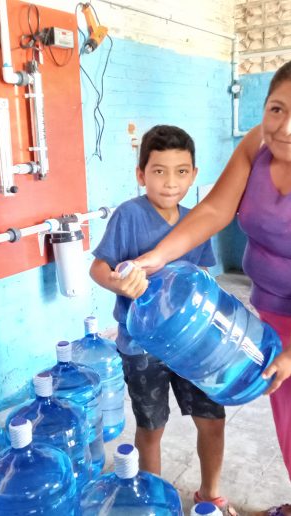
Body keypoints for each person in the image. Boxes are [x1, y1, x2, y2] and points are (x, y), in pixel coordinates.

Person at [132, 55, 291, 516]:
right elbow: (214, 210)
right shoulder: (257, 144)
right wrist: (156, 257)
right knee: (290, 422)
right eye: (276, 109)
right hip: (273, 309)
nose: (286, 127)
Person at [90, 125, 236, 515]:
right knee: (151, 427)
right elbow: (98, 267)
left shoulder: (198, 221)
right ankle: (152, 497)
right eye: (159, 171)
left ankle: (210, 493)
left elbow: (204, 275)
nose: (170, 182)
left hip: (193, 345)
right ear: (141, 174)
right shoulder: (128, 216)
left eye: (181, 171)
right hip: (142, 347)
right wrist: (119, 283)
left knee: (212, 419)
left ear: (194, 173)